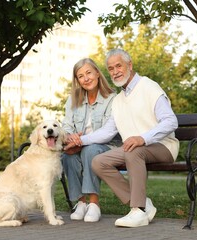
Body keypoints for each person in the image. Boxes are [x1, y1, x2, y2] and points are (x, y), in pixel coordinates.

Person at [64, 49, 179, 227]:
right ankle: (144, 203)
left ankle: (137, 210)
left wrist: (143, 138)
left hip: (163, 146)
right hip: (136, 148)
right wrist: (79, 141)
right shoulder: (118, 100)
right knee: (98, 161)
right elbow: (107, 132)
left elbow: (171, 121)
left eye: (119, 66)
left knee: (134, 150)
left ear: (130, 65)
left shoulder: (148, 86)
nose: (115, 71)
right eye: (111, 68)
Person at [62, 58, 121, 223]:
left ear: (97, 73)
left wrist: (80, 142)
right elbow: (66, 126)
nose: (86, 78)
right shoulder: (72, 99)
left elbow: (107, 133)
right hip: (77, 145)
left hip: (105, 147)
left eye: (88, 73)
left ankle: (94, 204)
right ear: (77, 81)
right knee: (67, 155)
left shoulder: (112, 99)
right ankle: (80, 202)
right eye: (80, 76)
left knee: (90, 150)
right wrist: (69, 137)